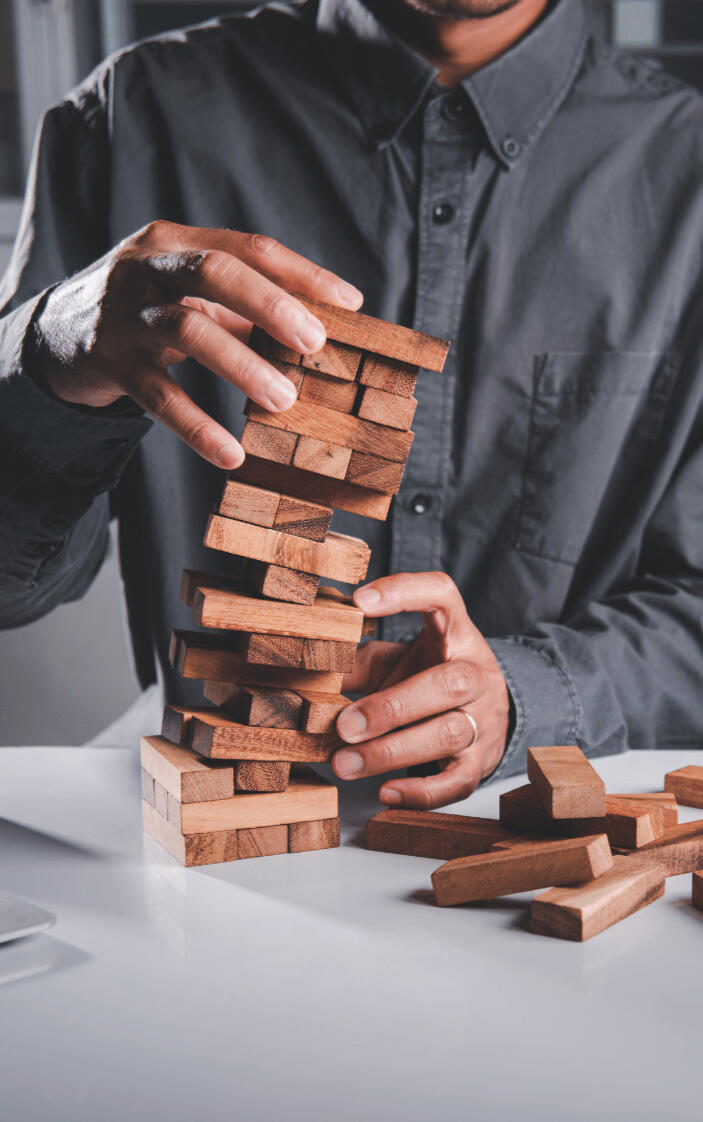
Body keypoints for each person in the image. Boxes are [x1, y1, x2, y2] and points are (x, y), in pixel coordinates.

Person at [1, 0, 702, 809]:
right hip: (217, 839)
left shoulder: (684, 167)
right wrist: (47, 354)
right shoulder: (131, 115)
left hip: (556, 837)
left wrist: (526, 693)